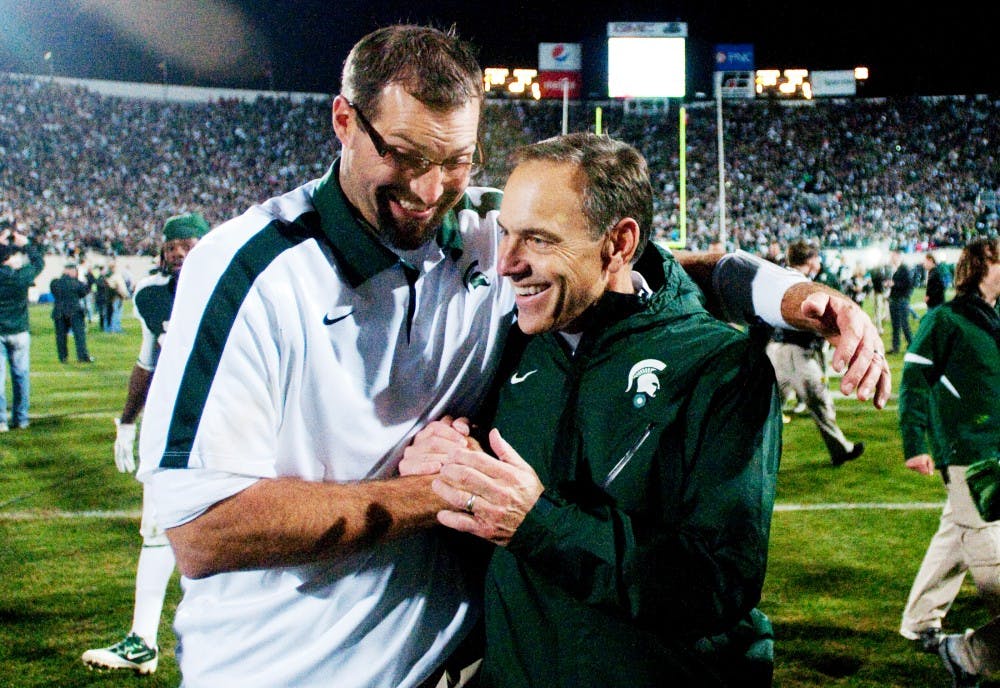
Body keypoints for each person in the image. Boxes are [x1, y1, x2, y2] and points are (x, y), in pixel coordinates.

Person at [135, 25, 888, 688]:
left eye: (456, 160)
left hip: (457, 665)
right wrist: (446, 491)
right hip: (288, 671)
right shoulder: (250, 271)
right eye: (403, 154)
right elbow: (203, 530)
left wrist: (796, 297)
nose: (430, 191)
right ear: (343, 122)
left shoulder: (483, 233)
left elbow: (639, 263)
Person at [401, 133, 783, 687]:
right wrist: (452, 457)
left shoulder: (719, 367)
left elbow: (717, 585)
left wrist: (540, 523)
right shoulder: (512, 342)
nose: (506, 264)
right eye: (506, 233)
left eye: (538, 239)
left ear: (618, 244)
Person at [81, 213, 209, 675]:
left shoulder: (234, 279)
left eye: (189, 243)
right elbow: (149, 359)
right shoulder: (152, 293)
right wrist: (127, 421)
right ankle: (142, 641)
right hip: (174, 427)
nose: (179, 252)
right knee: (156, 533)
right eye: (172, 245)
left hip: (231, 425)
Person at [897, 237, 1000, 687]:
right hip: (969, 456)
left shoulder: (993, 320)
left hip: (993, 451)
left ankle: (920, 621)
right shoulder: (946, 319)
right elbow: (914, 380)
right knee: (989, 551)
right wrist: (914, 443)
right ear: (982, 266)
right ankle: (969, 650)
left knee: (952, 539)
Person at [766, 240, 866, 466]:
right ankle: (841, 450)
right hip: (795, 352)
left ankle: (746, 457)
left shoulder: (781, 278)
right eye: (817, 258)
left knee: (770, 408)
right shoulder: (800, 285)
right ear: (810, 260)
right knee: (818, 401)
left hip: (778, 349)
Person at [0, 224, 44, 432]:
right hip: (19, 330)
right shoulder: (21, 276)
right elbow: (39, 262)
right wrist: (26, 244)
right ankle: (21, 418)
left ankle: (1, 421)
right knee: (21, 376)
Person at [49, 261, 94, 364]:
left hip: (59, 312)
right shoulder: (76, 283)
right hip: (74, 312)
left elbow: (54, 292)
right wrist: (90, 276)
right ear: (71, 271)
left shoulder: (55, 283)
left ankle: (63, 357)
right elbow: (83, 292)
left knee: (60, 336)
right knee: (79, 335)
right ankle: (82, 356)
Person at [888, 249, 915, 353]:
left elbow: (908, 284)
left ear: (898, 256)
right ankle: (895, 347)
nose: (891, 258)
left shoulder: (904, 269)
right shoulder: (897, 269)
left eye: (893, 256)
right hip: (895, 299)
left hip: (901, 300)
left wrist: (894, 284)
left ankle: (912, 345)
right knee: (895, 325)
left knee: (904, 324)